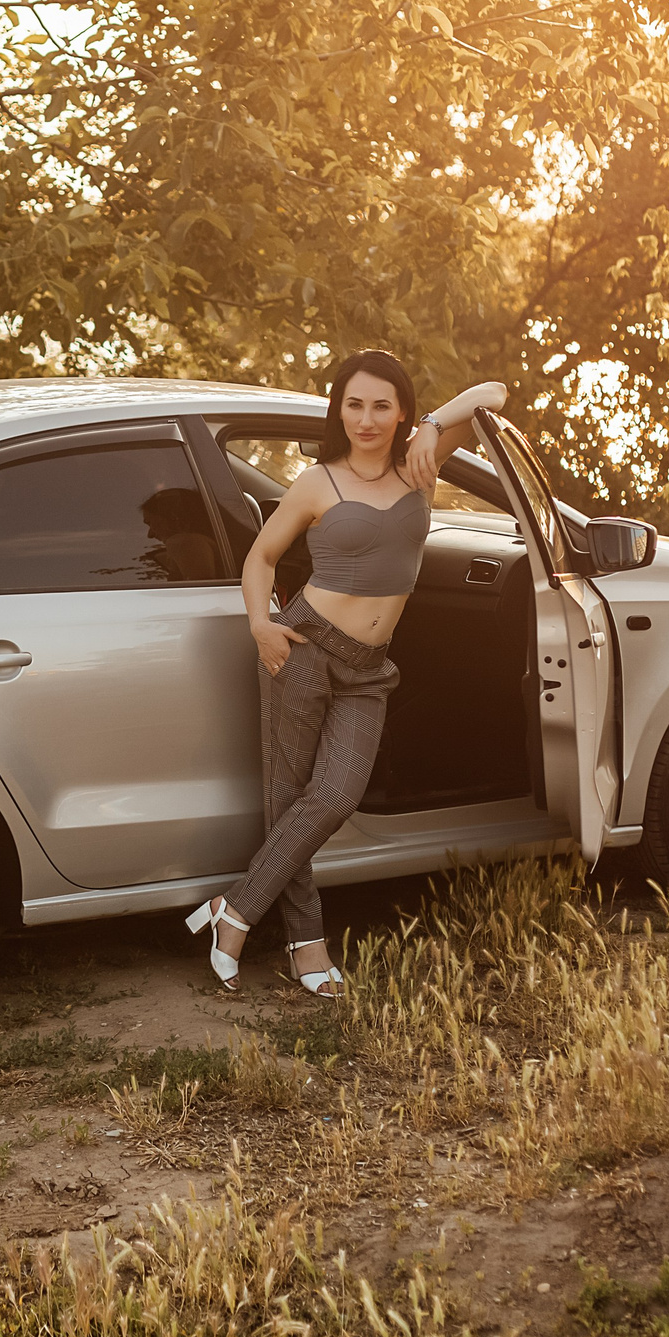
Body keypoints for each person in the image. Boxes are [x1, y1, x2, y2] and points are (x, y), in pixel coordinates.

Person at [186, 351, 510, 995]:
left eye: (382, 405)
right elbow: (262, 558)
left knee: (333, 798)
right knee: (292, 797)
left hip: (368, 667)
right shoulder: (317, 483)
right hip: (302, 647)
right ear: (339, 409)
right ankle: (308, 946)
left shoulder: (423, 464)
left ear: (402, 412)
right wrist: (259, 623)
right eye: (354, 404)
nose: (366, 418)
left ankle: (237, 908)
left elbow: (493, 394)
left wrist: (433, 426)